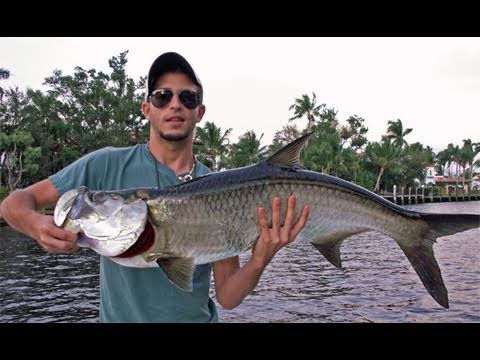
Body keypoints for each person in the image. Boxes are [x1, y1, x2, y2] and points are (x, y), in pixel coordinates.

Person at [0, 52, 310, 322]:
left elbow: (228, 297)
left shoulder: (223, 188)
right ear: (147, 108)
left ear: (199, 112)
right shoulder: (104, 165)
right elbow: (14, 203)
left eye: (187, 98)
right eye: (163, 96)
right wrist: (35, 224)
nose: (175, 105)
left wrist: (260, 258)